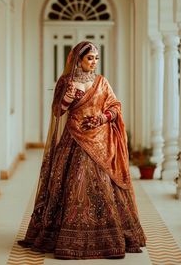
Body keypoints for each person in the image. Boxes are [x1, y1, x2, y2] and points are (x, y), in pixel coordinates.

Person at [18, 41, 146, 259]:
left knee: (105, 187)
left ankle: (110, 238)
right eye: (90, 58)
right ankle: (67, 239)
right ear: (78, 59)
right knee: (73, 183)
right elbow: (57, 112)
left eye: (96, 58)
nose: (94, 62)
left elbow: (115, 106)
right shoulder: (66, 82)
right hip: (74, 140)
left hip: (100, 141)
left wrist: (102, 118)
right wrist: (67, 99)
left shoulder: (102, 82)